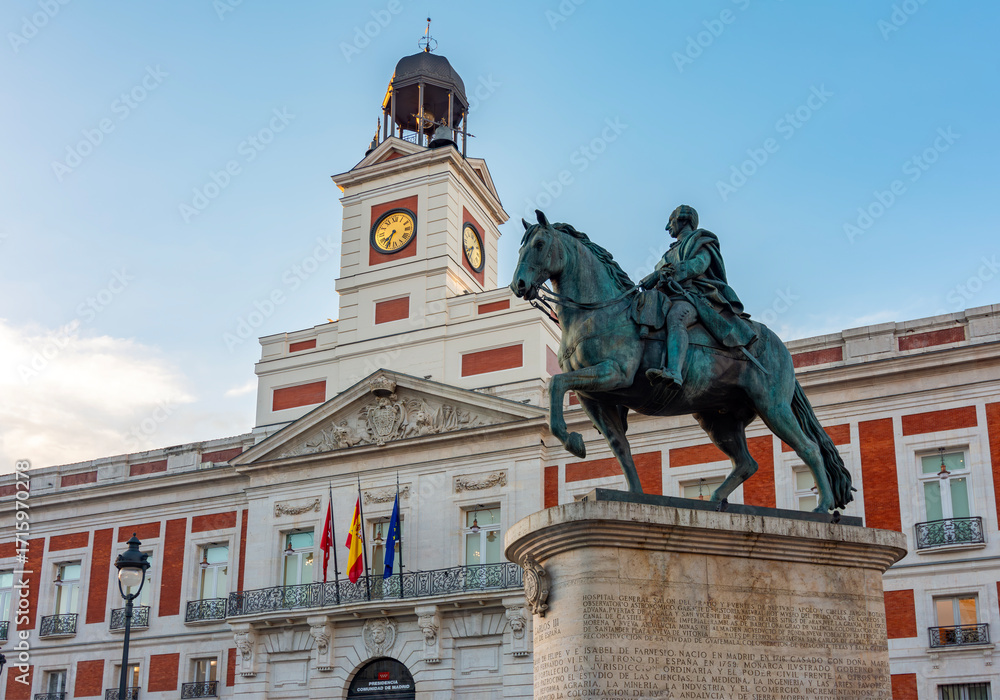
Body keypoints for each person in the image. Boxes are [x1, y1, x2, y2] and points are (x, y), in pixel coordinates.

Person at [639, 205, 757, 389]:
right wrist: (653, 278)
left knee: (676, 318)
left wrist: (668, 273)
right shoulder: (668, 253)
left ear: (683, 219)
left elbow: (698, 266)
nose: (667, 227)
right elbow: (657, 276)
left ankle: (674, 372)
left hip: (693, 297)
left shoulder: (701, 241)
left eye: (670, 221)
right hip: (667, 296)